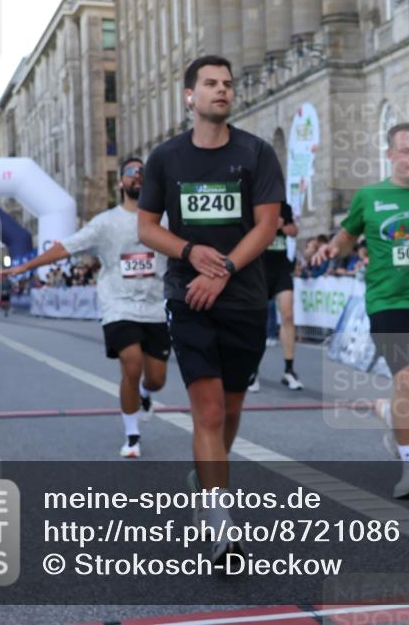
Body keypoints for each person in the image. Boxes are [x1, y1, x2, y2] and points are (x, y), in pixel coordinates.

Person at [138, 55, 284, 564]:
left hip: (243, 297)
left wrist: (220, 268)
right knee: (211, 410)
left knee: (234, 408)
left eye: (228, 83)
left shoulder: (256, 152)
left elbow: (266, 226)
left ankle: (203, 482)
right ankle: (221, 523)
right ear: (190, 96)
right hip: (189, 297)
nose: (222, 90)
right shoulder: (166, 158)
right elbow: (147, 227)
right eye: (210, 84)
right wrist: (186, 252)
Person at [314, 122, 409, 499]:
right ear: (390, 155)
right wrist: (333, 249)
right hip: (386, 302)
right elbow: (347, 235)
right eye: (406, 151)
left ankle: (387, 411)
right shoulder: (370, 196)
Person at [6, 157, 169, 458]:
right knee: (131, 363)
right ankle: (132, 436)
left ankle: (146, 395)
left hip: (155, 306)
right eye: (131, 173)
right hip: (118, 304)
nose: (138, 177)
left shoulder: (164, 220)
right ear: (120, 182)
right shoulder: (105, 223)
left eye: (143, 173)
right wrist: (26, 267)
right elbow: (65, 246)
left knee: (156, 379)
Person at [248, 201, 303, 393]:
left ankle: (289, 370)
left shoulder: (284, 206)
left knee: (288, 316)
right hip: (259, 267)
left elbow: (294, 230)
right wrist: (267, 224)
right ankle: (253, 370)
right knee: (258, 319)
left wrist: (284, 226)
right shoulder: (252, 201)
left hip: (281, 267)